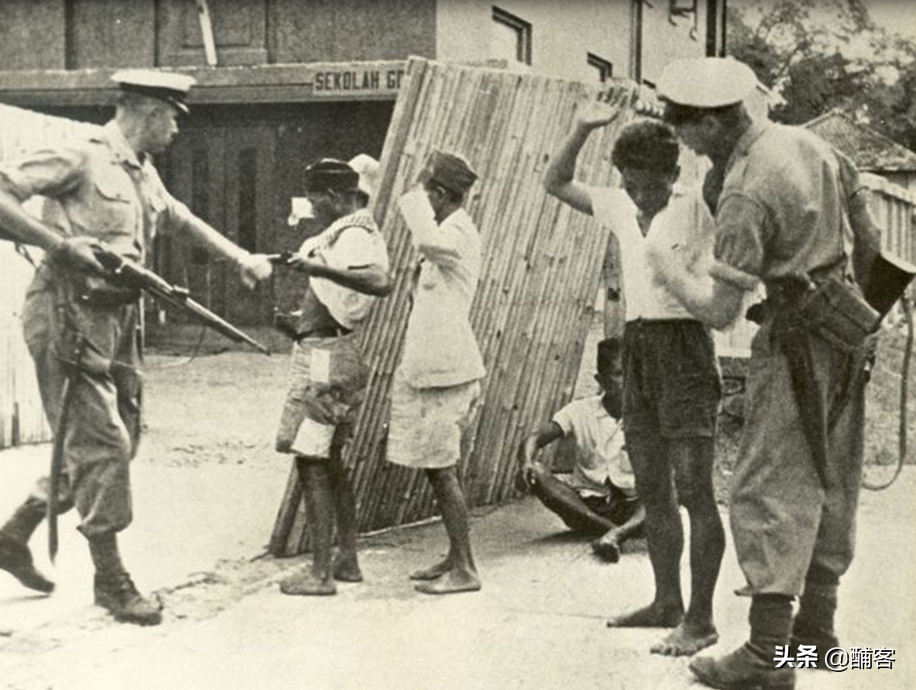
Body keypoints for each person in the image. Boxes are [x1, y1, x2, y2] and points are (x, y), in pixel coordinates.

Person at [0, 70, 273, 625]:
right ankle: (111, 580)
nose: (176, 129)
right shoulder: (81, 154)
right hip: (66, 315)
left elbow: (182, 219)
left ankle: (13, 534)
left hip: (117, 321)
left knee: (117, 442)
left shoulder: (141, 173)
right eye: (173, 117)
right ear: (147, 111)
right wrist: (60, 244)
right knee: (102, 444)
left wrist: (240, 258)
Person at [650, 57, 877, 690]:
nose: (685, 145)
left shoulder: (747, 188)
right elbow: (872, 239)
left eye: (685, 130)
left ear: (716, 123)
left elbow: (722, 311)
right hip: (843, 334)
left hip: (795, 341)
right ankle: (817, 641)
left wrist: (667, 272)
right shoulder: (811, 143)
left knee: (765, 490)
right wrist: (853, 314)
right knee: (832, 480)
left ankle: (765, 658)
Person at [544, 101, 725, 656]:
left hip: (687, 349)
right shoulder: (620, 204)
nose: (643, 196)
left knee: (695, 490)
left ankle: (700, 620)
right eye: (632, 184)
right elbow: (556, 181)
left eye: (654, 185)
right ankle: (665, 601)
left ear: (675, 175)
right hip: (638, 346)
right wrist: (581, 127)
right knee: (654, 488)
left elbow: (726, 165)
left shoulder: (700, 206)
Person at [274, 158, 391, 596]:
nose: (315, 206)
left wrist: (319, 270)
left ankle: (321, 573)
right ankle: (346, 559)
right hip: (326, 349)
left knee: (313, 459)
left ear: (339, 196)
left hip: (326, 357)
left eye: (319, 198)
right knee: (330, 460)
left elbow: (380, 281)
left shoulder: (355, 233)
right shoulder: (345, 233)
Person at [386, 150, 486, 595]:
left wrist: (413, 204)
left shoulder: (458, 232)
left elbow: (430, 244)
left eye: (429, 190)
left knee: (443, 469)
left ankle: (465, 569)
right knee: (437, 468)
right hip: (428, 370)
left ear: (441, 195)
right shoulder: (445, 229)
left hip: (449, 372)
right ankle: (454, 553)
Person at [516, 338, 645, 563]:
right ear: (601, 380)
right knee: (536, 472)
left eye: (632, 373)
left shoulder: (647, 415)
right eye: (618, 374)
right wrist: (525, 462)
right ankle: (614, 531)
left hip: (633, 506)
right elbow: (534, 438)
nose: (627, 381)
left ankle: (616, 533)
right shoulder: (580, 411)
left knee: (671, 488)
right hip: (588, 508)